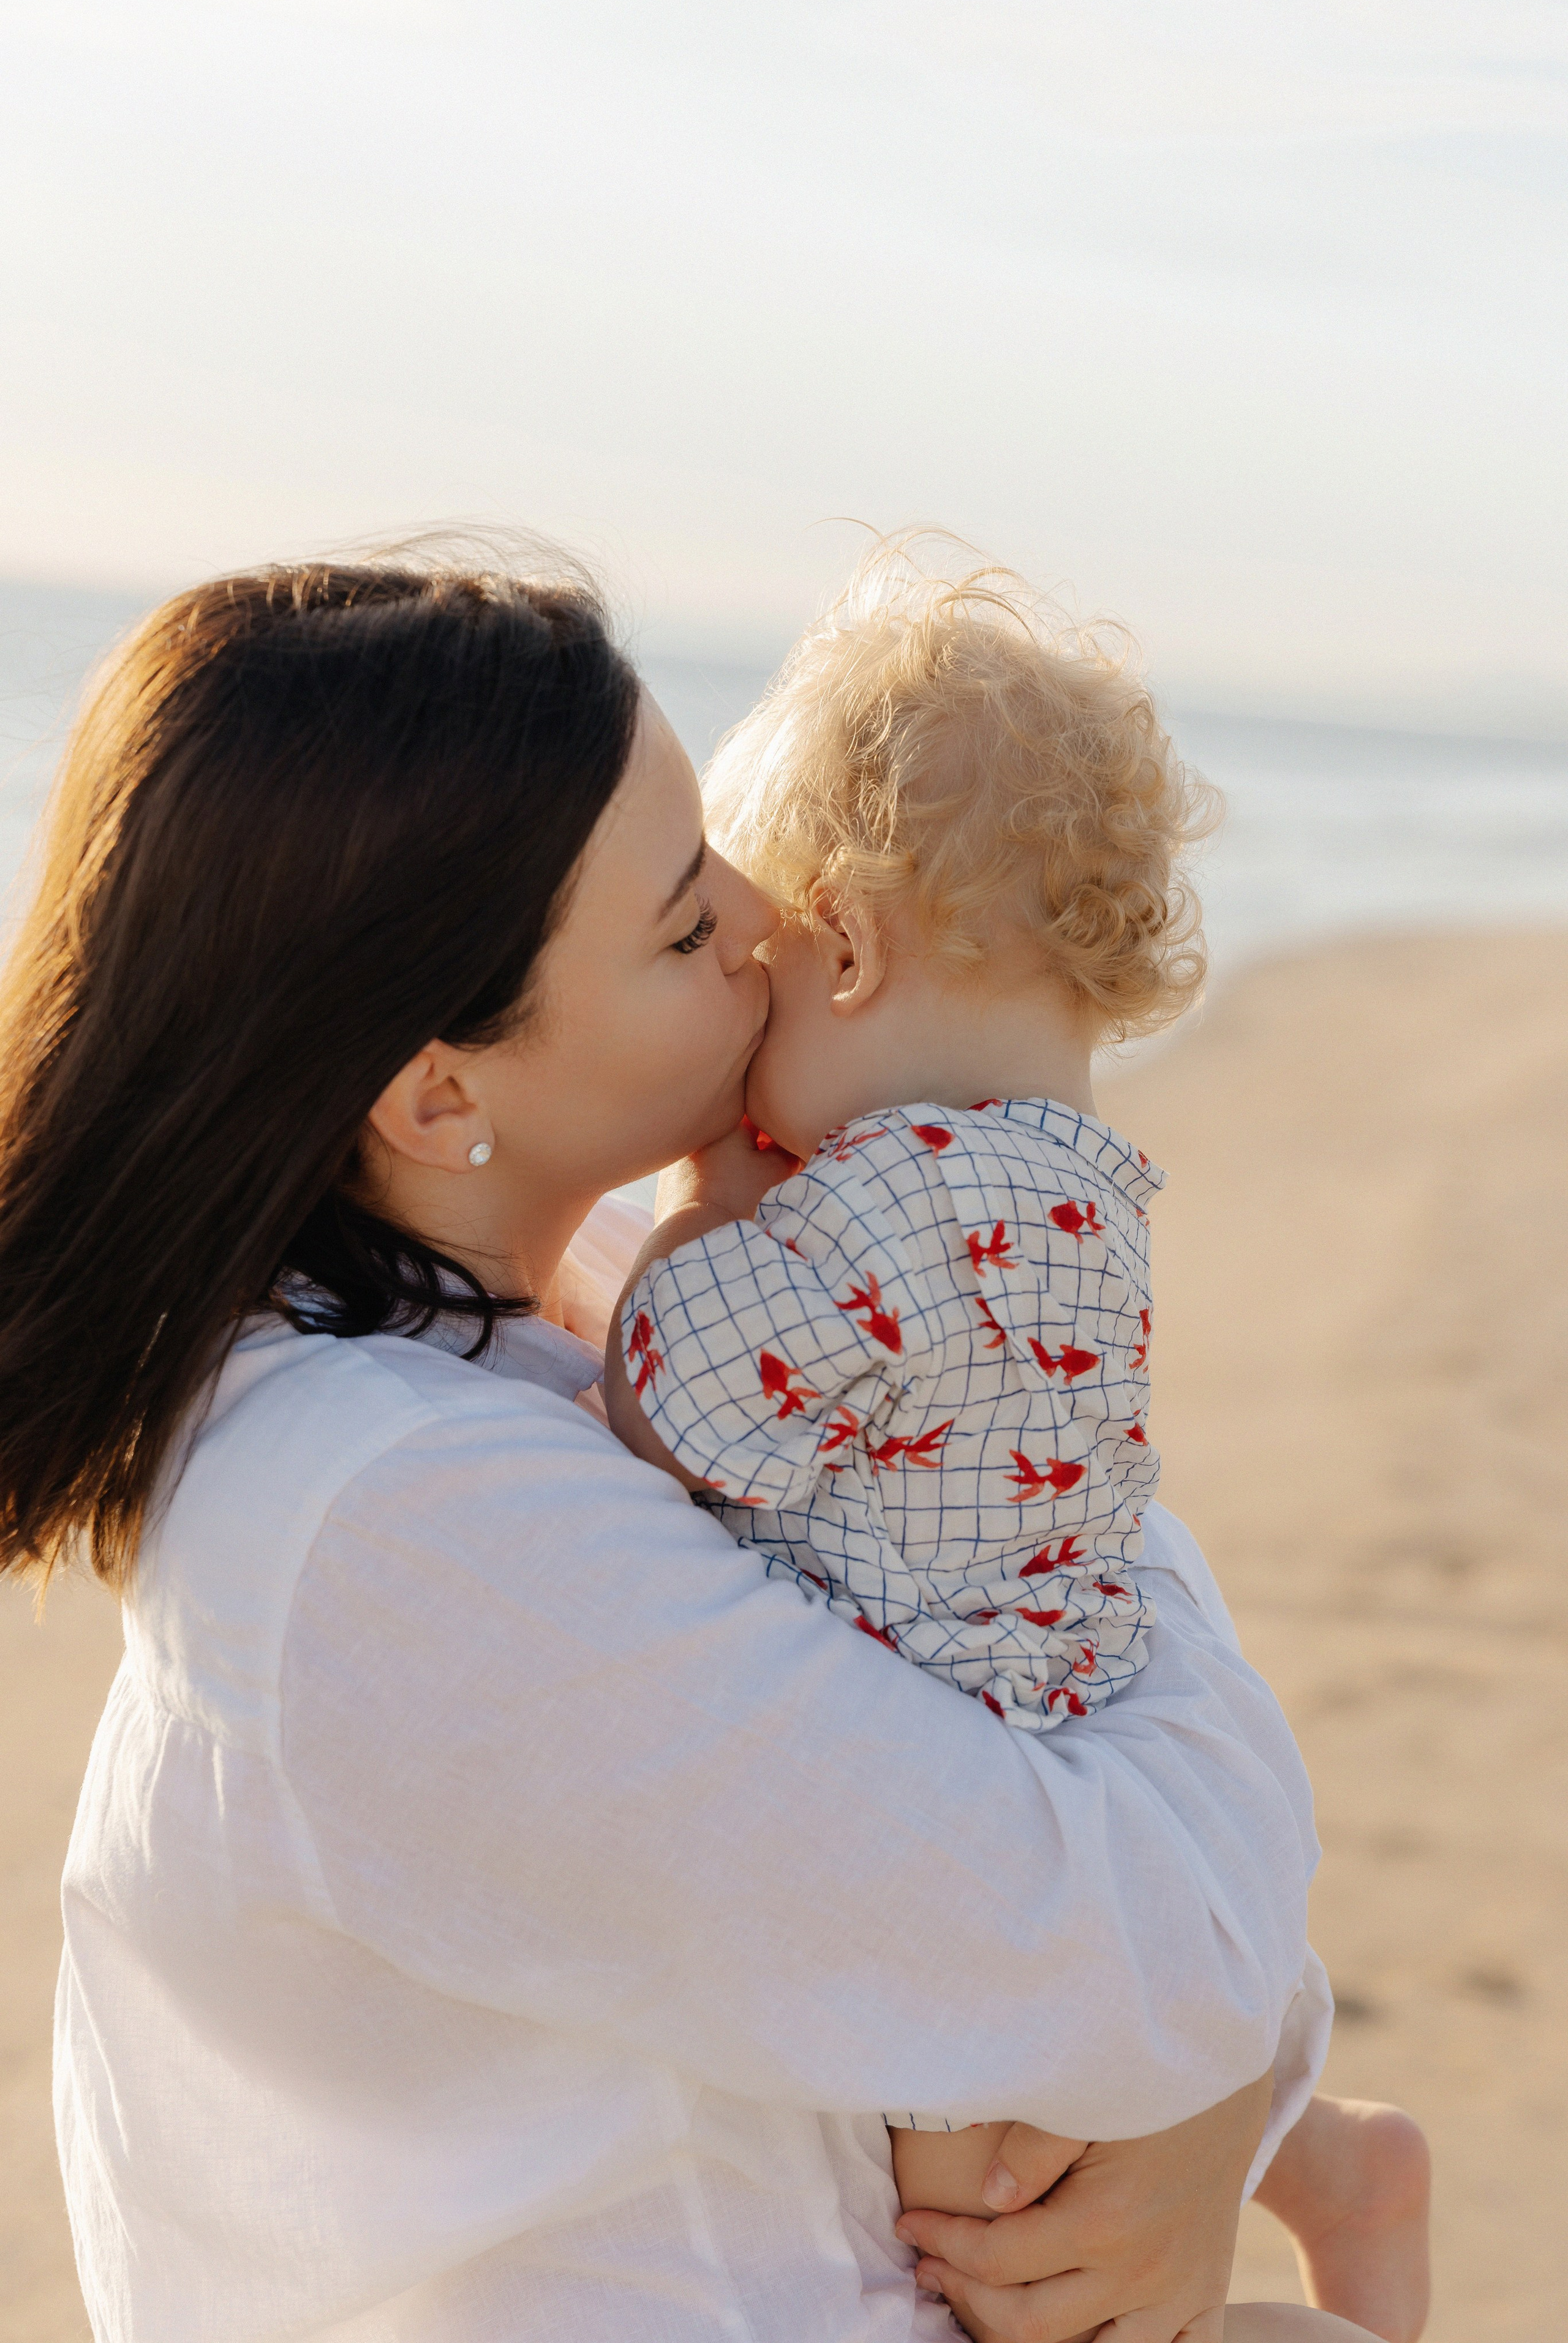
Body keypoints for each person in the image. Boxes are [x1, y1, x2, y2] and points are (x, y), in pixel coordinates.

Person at [0, 550, 1360, 2341]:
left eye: (714, 847)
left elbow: (1065, 1620)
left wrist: (1224, 2083)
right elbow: (1144, 1927)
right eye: (679, 920)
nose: (769, 920)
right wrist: (1215, 2066)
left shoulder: (575, 1311)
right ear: (438, 1093)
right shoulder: (396, 1521)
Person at [606, 543, 1430, 2342]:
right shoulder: (1083, 1189)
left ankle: (1331, 2209)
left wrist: (694, 1213)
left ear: (843, 948)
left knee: (986, 2238)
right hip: (1066, 1691)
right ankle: (1332, 2165)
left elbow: (684, 1402)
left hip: (958, 1763)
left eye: (751, 997)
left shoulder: (888, 1206)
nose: (746, 1095)